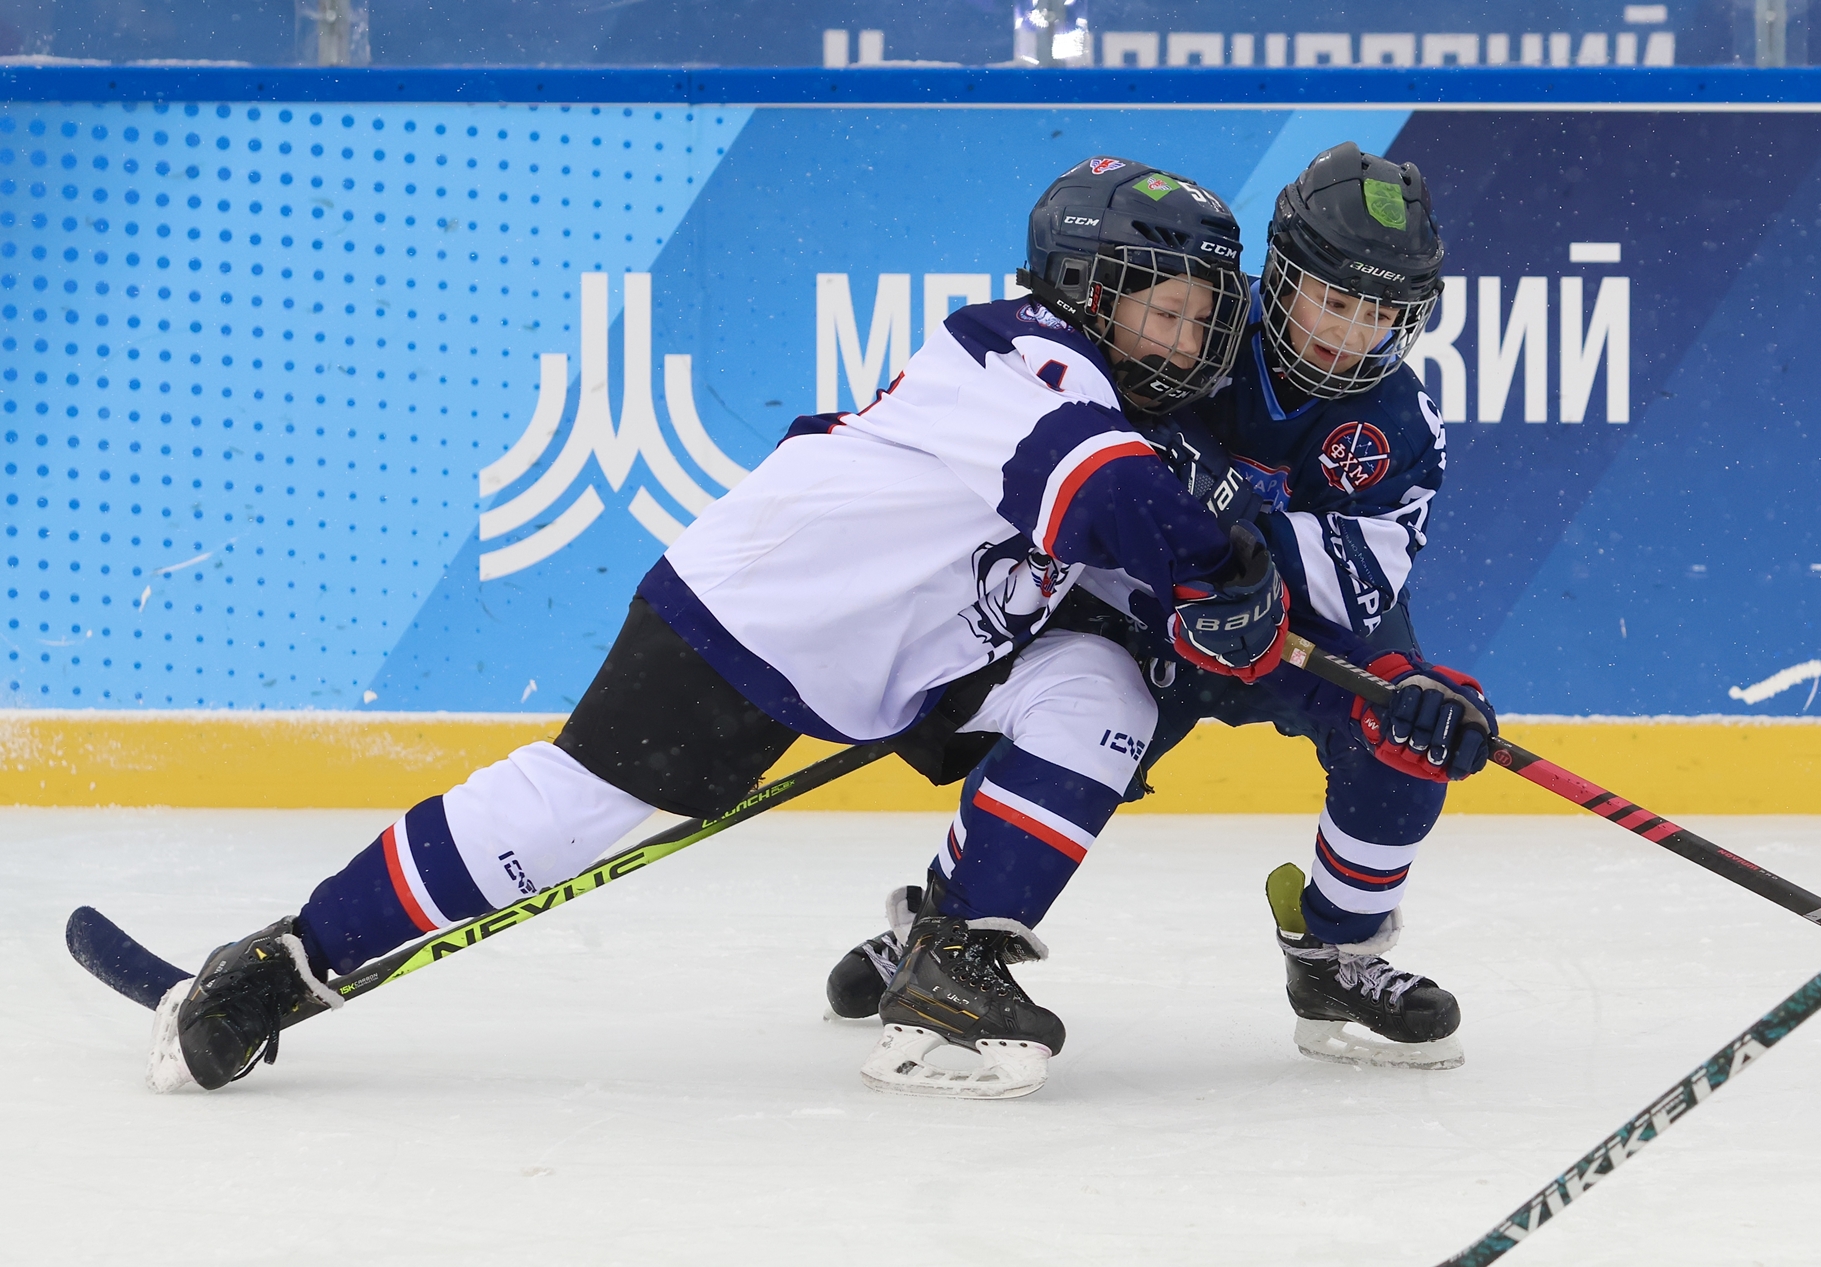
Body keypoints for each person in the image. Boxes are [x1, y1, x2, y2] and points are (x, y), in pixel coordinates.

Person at [144, 156, 1287, 1102]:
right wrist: (1218, 569)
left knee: (1101, 691)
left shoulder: (1124, 410)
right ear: (1085, 287)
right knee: (561, 814)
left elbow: (1146, 553)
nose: (1186, 344)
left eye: (1200, 318)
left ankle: (951, 958)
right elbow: (1108, 501)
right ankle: (290, 956)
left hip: (919, 655)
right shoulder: (1014, 352)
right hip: (756, 621)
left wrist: (1267, 625)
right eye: (1162, 308)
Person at [826, 143, 1497, 1072]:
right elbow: (1082, 485)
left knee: (1410, 722)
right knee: (1079, 732)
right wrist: (1178, 553)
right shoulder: (1185, 326)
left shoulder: (1401, 423)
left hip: (1299, 645)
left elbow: (1355, 585)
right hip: (1150, 617)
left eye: (1380, 311)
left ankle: (1336, 953)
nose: (1351, 334)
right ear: (1286, 274)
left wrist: (1221, 504)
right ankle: (946, 932)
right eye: (1335, 300)